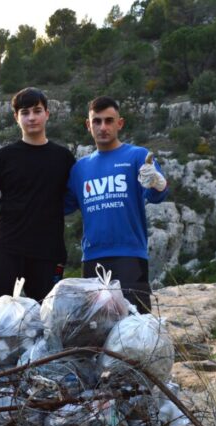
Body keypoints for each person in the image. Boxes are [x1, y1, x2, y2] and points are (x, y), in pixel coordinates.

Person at [0, 87, 75, 307]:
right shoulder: (4, 157)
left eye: (37, 111)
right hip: (7, 247)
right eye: (25, 112)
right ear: (16, 117)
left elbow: (78, 195)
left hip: (48, 250)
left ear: (47, 113)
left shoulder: (64, 158)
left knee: (48, 317)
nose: (31, 117)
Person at [65, 96, 169, 313]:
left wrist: (158, 182)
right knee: (97, 326)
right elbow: (61, 207)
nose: (103, 127)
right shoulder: (80, 168)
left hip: (129, 255)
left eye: (109, 121)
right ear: (88, 125)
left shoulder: (137, 156)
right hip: (93, 257)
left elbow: (158, 195)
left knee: (136, 324)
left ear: (119, 123)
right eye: (97, 121)